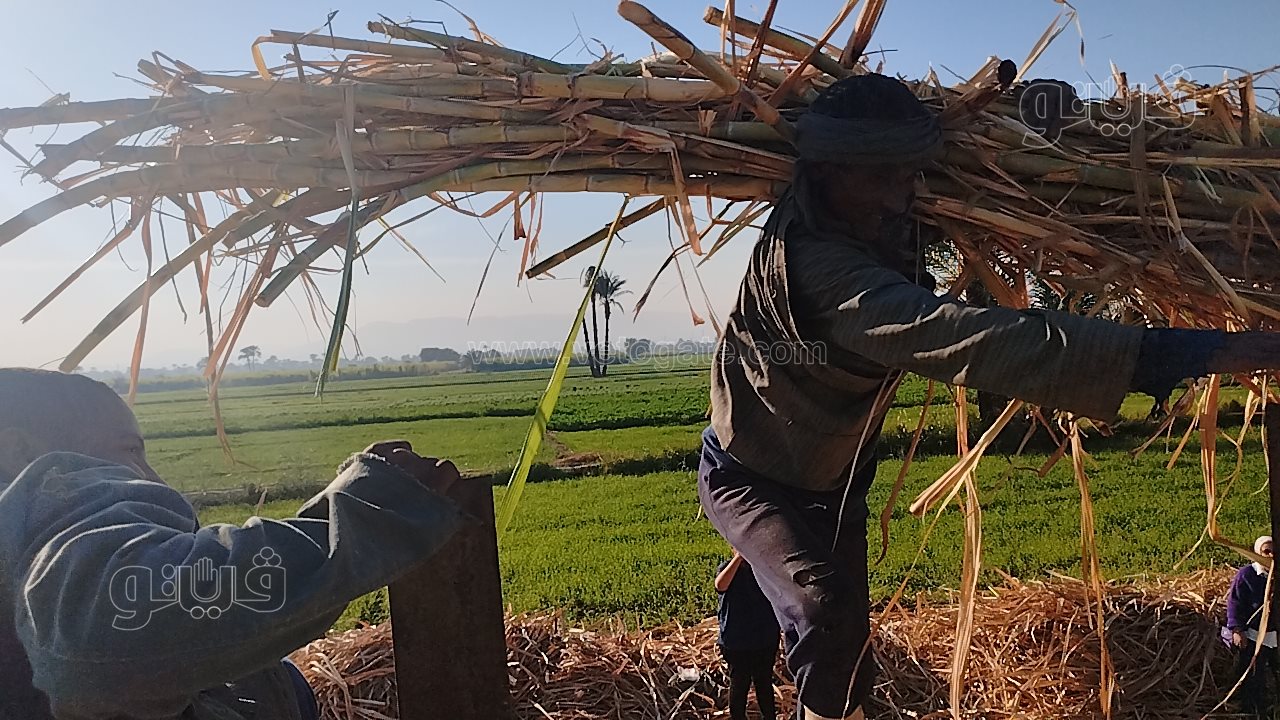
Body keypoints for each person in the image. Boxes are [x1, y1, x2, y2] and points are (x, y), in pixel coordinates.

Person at [700, 72, 1280, 720]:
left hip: (835, 479)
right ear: (827, 172)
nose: (902, 195)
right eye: (883, 177)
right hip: (750, 475)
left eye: (911, 174)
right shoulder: (822, 272)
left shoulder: (874, 217)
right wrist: (1199, 352)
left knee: (847, 654)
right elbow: (979, 340)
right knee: (821, 606)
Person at [0, 367, 467, 720]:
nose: (154, 479)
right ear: (18, 451)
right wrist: (370, 506)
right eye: (129, 450)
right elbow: (109, 629)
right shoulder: (47, 499)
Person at [716, 550, 782, 720]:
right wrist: (739, 558)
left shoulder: (765, 570)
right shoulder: (727, 568)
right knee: (739, 685)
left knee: (764, 684)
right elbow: (720, 585)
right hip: (737, 641)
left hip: (764, 638)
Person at [1226, 535, 1277, 718]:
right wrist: (1237, 629)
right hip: (1254, 636)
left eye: (1274, 551)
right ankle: (1252, 711)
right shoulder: (1247, 575)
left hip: (1275, 636)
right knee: (1253, 677)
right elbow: (1235, 603)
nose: (1270, 555)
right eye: (1266, 551)